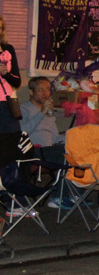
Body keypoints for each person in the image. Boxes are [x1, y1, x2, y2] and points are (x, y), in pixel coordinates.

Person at [19, 77, 69, 207]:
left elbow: (54, 137)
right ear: (31, 92)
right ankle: (58, 197)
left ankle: (67, 194)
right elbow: (22, 133)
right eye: (40, 90)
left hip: (49, 151)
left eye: (47, 89)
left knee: (74, 147)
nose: (45, 93)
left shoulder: (49, 111)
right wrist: (41, 113)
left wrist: (71, 136)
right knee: (64, 152)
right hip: (32, 152)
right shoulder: (23, 109)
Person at [0, 16, 22, 135]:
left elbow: (17, 82)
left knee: (12, 140)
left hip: (7, 101)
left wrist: (6, 74)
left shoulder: (8, 49)